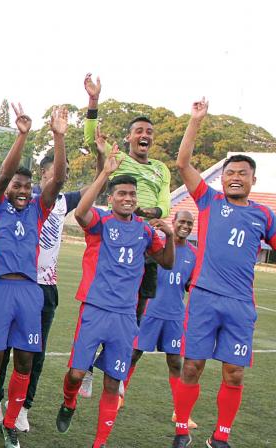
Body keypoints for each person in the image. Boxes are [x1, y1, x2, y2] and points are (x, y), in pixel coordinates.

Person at [171, 98, 276, 448]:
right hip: (203, 298)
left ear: (252, 179)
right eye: (229, 173)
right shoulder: (208, 201)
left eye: (241, 173)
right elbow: (183, 162)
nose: (234, 177)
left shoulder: (264, 215)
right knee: (192, 367)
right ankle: (182, 429)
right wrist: (195, 121)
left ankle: (220, 437)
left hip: (240, 305)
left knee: (234, 373)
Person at [0, 112, 106, 433]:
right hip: (13, 285)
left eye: (65, 172)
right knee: (2, 351)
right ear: (44, 174)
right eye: (58, 170)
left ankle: (24, 406)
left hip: (45, 288)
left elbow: (100, 183)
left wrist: (100, 155)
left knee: (34, 354)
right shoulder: (21, 200)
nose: (62, 175)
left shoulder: (61, 202)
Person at [56, 145, 174, 448]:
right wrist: (105, 172)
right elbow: (80, 212)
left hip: (125, 316)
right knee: (76, 374)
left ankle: (100, 442)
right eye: (122, 193)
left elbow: (166, 262)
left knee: (112, 381)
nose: (128, 198)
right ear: (112, 198)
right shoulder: (101, 222)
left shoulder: (146, 232)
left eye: (132, 195)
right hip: (95, 309)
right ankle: (69, 401)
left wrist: (171, 236)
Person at [0, 104, 66, 448]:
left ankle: (10, 423)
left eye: (27, 186)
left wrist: (58, 136)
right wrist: (22, 136)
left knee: (25, 360)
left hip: (30, 292)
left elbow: (57, 179)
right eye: (17, 184)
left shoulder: (38, 210)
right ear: (7, 187)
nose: (23, 190)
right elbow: (1, 175)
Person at [80, 73, 173, 398]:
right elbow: (94, 138)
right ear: (130, 138)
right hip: (114, 239)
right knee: (102, 302)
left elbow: (163, 203)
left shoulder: (161, 169)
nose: (144, 135)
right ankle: (87, 368)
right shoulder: (117, 160)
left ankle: (112, 364)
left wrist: (152, 215)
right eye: (139, 131)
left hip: (146, 241)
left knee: (136, 310)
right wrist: (94, 101)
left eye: (149, 131)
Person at [122, 211, 198, 428]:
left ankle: (180, 412)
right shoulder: (156, 247)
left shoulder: (194, 254)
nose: (185, 226)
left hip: (174, 316)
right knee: (134, 354)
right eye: (181, 221)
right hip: (150, 312)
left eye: (189, 223)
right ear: (173, 223)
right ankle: (119, 396)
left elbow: (188, 284)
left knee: (176, 362)